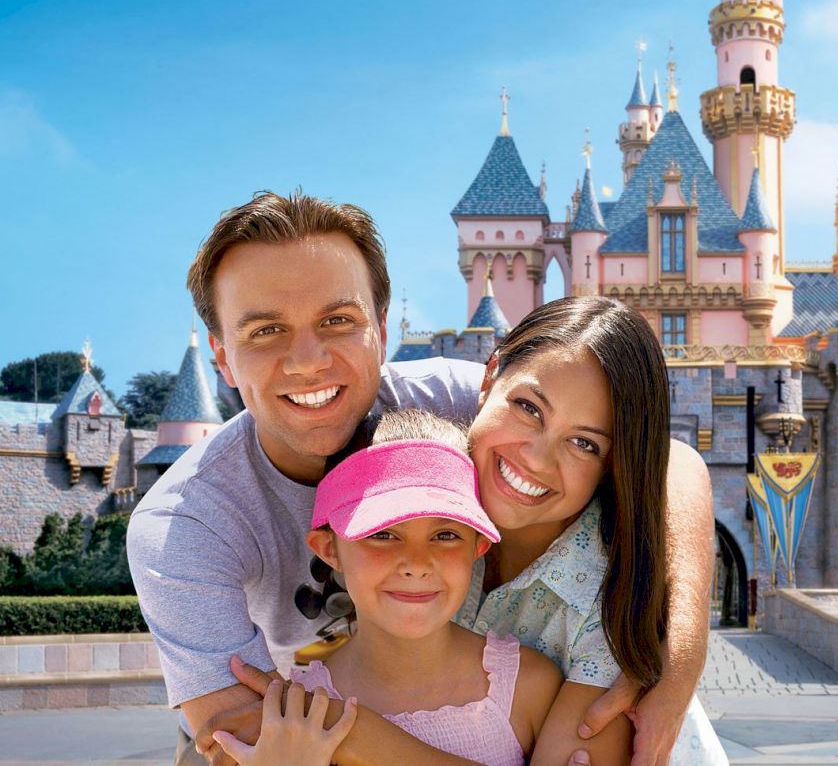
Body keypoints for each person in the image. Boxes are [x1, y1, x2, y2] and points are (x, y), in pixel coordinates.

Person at [127, 191, 714, 765]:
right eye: (265, 330)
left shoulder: (458, 410)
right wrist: (329, 722)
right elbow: (240, 736)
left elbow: (668, 458)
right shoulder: (183, 526)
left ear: (380, 329)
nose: (307, 360)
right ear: (222, 355)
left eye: (337, 320)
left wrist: (679, 656)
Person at [208, 297, 727, 764]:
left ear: (616, 462)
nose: (536, 458)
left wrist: (338, 724)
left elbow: (678, 461)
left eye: (585, 444)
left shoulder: (612, 596)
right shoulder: (431, 482)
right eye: (528, 409)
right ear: (488, 377)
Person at [212, 409, 563, 765]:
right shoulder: (297, 716)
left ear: (478, 547)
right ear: (329, 549)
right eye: (382, 534)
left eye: (445, 535)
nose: (416, 563)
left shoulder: (530, 686)